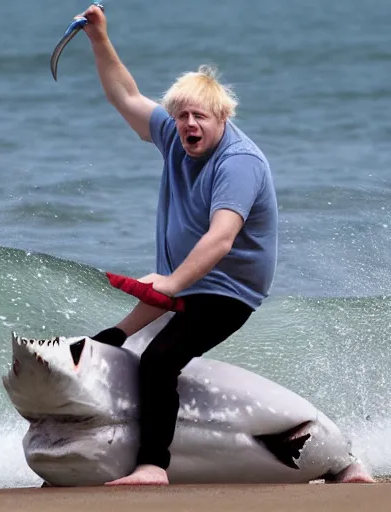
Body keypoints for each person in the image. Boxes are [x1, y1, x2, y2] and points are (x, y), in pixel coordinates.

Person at [79, 4, 278, 485]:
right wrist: (99, 37)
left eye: (200, 117)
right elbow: (125, 95)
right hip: (190, 281)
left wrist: (167, 284)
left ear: (222, 117)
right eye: (182, 115)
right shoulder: (174, 136)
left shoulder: (238, 163)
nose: (189, 124)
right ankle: (109, 448)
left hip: (230, 288)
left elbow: (221, 239)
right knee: (115, 342)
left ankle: (153, 467)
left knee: (160, 358)